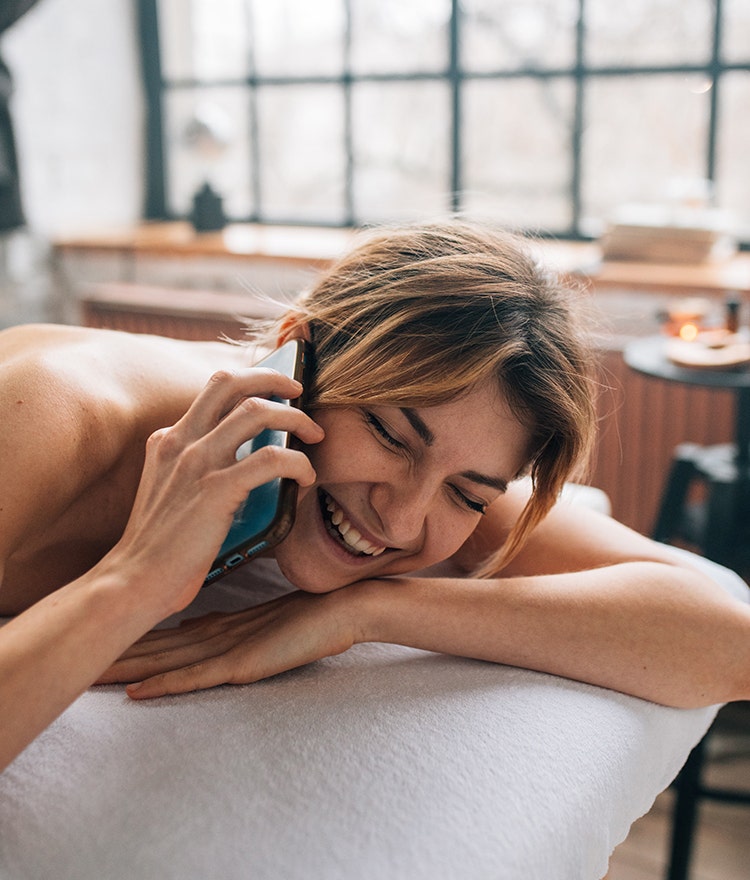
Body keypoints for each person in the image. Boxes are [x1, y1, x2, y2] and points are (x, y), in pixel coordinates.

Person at [1, 220, 748, 772]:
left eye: (468, 492)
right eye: (392, 436)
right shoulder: (47, 414)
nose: (400, 518)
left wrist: (367, 611)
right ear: (300, 351)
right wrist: (131, 582)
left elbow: (728, 638)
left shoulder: (432, 495)